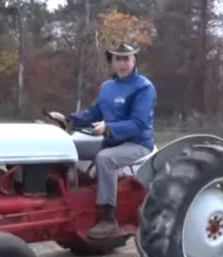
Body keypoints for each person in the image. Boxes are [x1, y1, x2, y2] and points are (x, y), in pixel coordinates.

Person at [67, 43, 157, 239]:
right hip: (112, 141)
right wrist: (70, 119)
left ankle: (108, 219)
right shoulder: (107, 87)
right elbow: (94, 112)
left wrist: (109, 128)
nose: (122, 63)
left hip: (137, 144)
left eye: (127, 58)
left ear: (134, 61)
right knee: (67, 148)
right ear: (112, 62)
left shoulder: (144, 88)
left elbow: (139, 123)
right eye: (118, 59)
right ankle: (71, 195)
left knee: (105, 159)